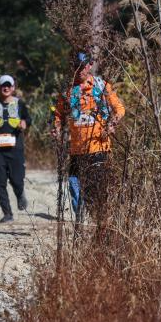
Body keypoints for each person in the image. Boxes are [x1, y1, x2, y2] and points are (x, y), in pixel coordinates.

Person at [50, 51, 124, 223]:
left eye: (82, 67)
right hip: (76, 150)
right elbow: (58, 115)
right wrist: (57, 128)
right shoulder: (69, 91)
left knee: (94, 190)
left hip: (99, 147)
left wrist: (111, 124)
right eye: (75, 67)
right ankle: (82, 220)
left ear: (89, 65)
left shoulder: (101, 86)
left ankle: (100, 222)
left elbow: (119, 109)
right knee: (74, 186)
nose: (79, 71)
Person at [0, 74, 32, 223]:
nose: (6, 88)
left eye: (9, 85)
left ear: (13, 88)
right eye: (3, 85)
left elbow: (28, 118)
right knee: (0, 181)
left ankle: (20, 193)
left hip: (15, 147)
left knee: (16, 179)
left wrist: (24, 123)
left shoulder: (19, 103)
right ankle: (7, 213)